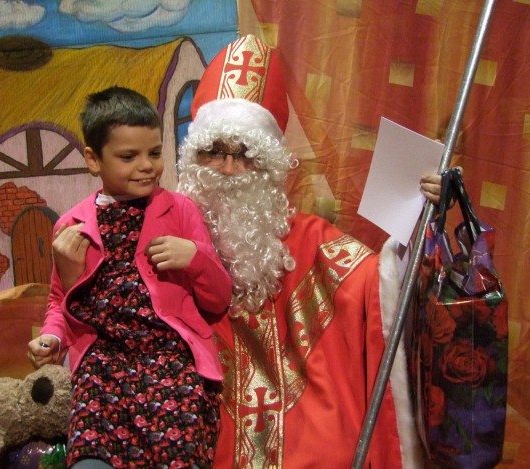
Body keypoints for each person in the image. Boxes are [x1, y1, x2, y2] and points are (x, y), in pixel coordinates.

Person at [177, 34, 442, 468]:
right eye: (213, 152)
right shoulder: (168, 239)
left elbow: (381, 283)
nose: (228, 170)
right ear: (193, 159)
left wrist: (416, 220)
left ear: (270, 167)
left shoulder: (311, 240)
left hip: (308, 441)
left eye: (245, 155)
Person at [27, 86, 232, 469]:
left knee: (179, 452)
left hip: (171, 363)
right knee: (89, 456)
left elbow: (218, 299)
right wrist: (52, 336)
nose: (146, 166)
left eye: (154, 153)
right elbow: (58, 303)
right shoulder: (71, 227)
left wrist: (195, 257)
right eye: (128, 156)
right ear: (93, 160)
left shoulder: (180, 210)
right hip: (102, 367)